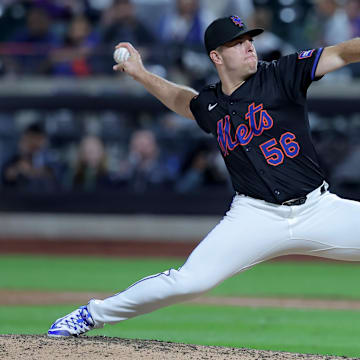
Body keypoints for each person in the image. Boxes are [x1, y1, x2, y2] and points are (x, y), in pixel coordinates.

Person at [48, 15, 360, 337]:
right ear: (216, 56)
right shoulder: (211, 104)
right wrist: (141, 74)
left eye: (249, 39)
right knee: (188, 282)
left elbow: (342, 53)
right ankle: (91, 314)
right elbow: (182, 100)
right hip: (255, 216)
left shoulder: (283, 73)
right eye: (237, 43)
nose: (249, 46)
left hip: (317, 209)